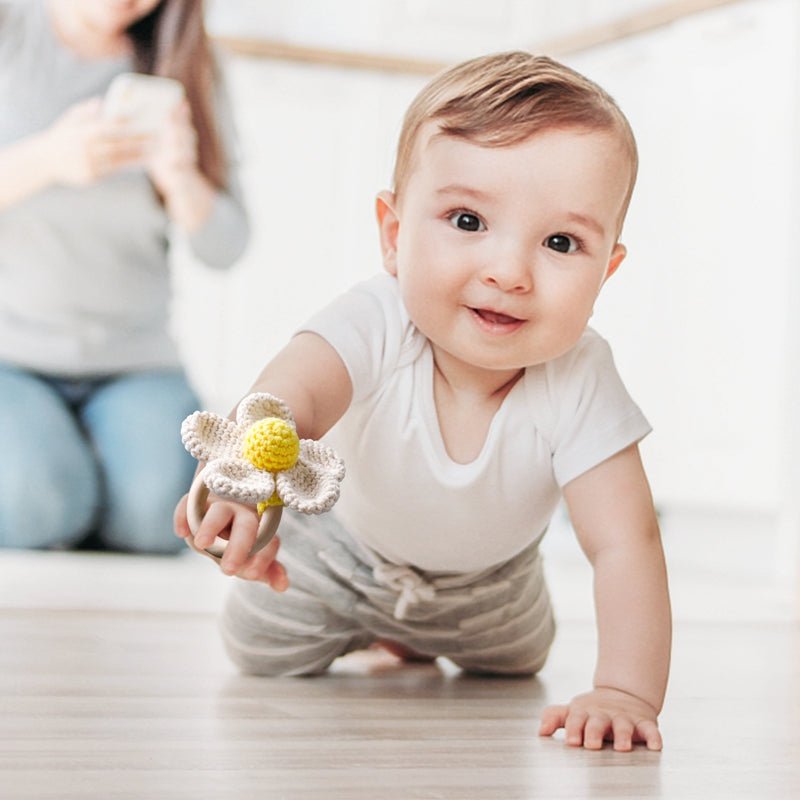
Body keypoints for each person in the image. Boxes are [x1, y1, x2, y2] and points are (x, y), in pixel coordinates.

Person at [174, 51, 671, 751]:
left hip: (493, 587)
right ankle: (369, 625)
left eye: (561, 242)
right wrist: (244, 480)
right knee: (259, 651)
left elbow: (625, 542)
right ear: (395, 234)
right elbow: (295, 391)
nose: (508, 272)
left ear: (606, 271)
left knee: (516, 662)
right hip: (340, 556)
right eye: (467, 221)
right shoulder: (375, 321)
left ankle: (420, 635)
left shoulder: (581, 374)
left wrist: (625, 690)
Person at [0, 0, 249, 553]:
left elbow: (227, 246)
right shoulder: (11, 30)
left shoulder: (185, 63)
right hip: (10, 357)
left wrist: (181, 179)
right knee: (32, 507)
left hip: (135, 361)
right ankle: (68, 477)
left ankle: (80, 473)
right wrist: (48, 160)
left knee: (159, 523)